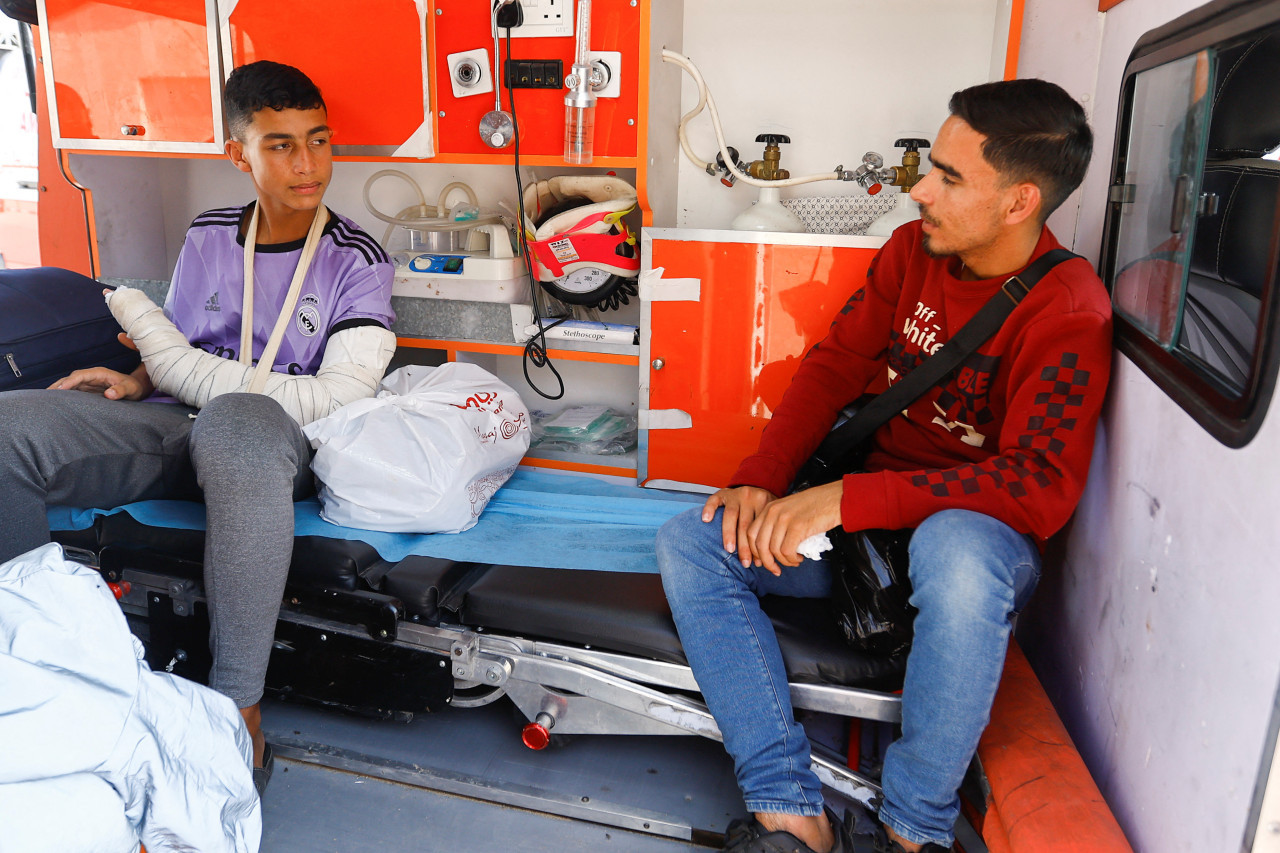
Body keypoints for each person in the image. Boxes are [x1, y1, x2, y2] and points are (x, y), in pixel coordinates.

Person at [657, 78, 1112, 853]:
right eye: (928, 168)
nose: (921, 192)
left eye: (949, 178)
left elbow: (1036, 487)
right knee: (694, 540)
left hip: (965, 539)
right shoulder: (911, 254)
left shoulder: (1068, 309)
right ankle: (790, 810)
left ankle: (913, 831)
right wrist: (762, 479)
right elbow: (835, 366)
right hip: (868, 534)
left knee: (959, 551)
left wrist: (848, 499)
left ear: (1018, 201)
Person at [0, 61, 396, 790]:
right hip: (175, 426)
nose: (307, 163)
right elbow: (177, 352)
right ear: (238, 154)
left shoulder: (357, 260)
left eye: (318, 140)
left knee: (239, 419)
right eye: (280, 145)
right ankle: (37, 677)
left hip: (274, 445)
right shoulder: (210, 234)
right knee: (7, 426)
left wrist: (190, 380)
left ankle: (237, 712)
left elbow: (342, 394)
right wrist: (135, 379)